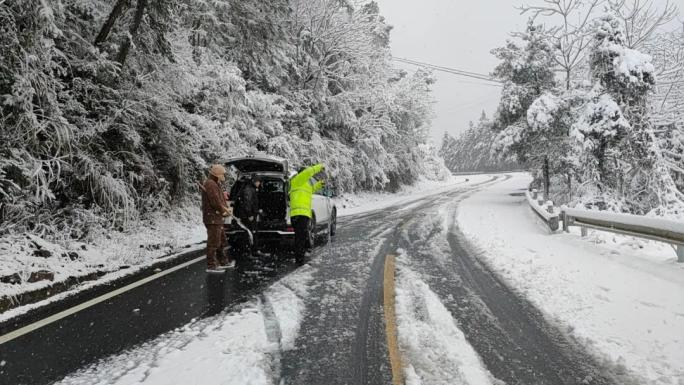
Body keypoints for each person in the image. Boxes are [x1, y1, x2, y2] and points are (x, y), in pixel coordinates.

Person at [288, 164, 325, 263]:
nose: (308, 177)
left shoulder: (304, 185)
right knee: (300, 237)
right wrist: (319, 167)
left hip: (303, 214)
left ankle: (301, 256)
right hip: (298, 214)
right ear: (301, 173)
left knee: (302, 236)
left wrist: (320, 184)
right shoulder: (297, 180)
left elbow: (312, 190)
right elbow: (308, 172)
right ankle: (299, 259)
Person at [201, 164, 233, 271]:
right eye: (222, 174)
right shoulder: (210, 184)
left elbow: (220, 200)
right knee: (213, 242)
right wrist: (222, 210)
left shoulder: (215, 183)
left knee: (221, 241)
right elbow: (215, 202)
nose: (223, 176)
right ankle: (211, 265)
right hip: (212, 218)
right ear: (217, 174)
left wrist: (225, 209)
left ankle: (223, 261)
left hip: (217, 217)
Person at [234, 175, 262, 252]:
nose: (259, 183)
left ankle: (254, 250)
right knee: (250, 233)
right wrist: (249, 214)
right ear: (254, 181)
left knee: (252, 233)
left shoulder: (252, 189)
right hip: (248, 215)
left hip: (250, 214)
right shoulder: (249, 189)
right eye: (258, 182)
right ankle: (250, 251)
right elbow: (247, 203)